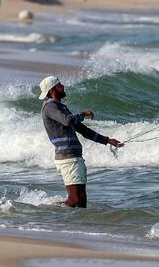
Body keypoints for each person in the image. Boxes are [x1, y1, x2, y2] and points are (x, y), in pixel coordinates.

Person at [39, 76, 124, 208]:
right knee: (74, 200)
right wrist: (83, 114)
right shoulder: (50, 107)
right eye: (60, 85)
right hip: (67, 158)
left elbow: (82, 130)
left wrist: (107, 140)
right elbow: (68, 120)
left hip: (74, 157)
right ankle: (48, 212)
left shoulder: (60, 107)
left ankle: (77, 226)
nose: (63, 86)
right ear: (53, 90)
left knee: (82, 200)